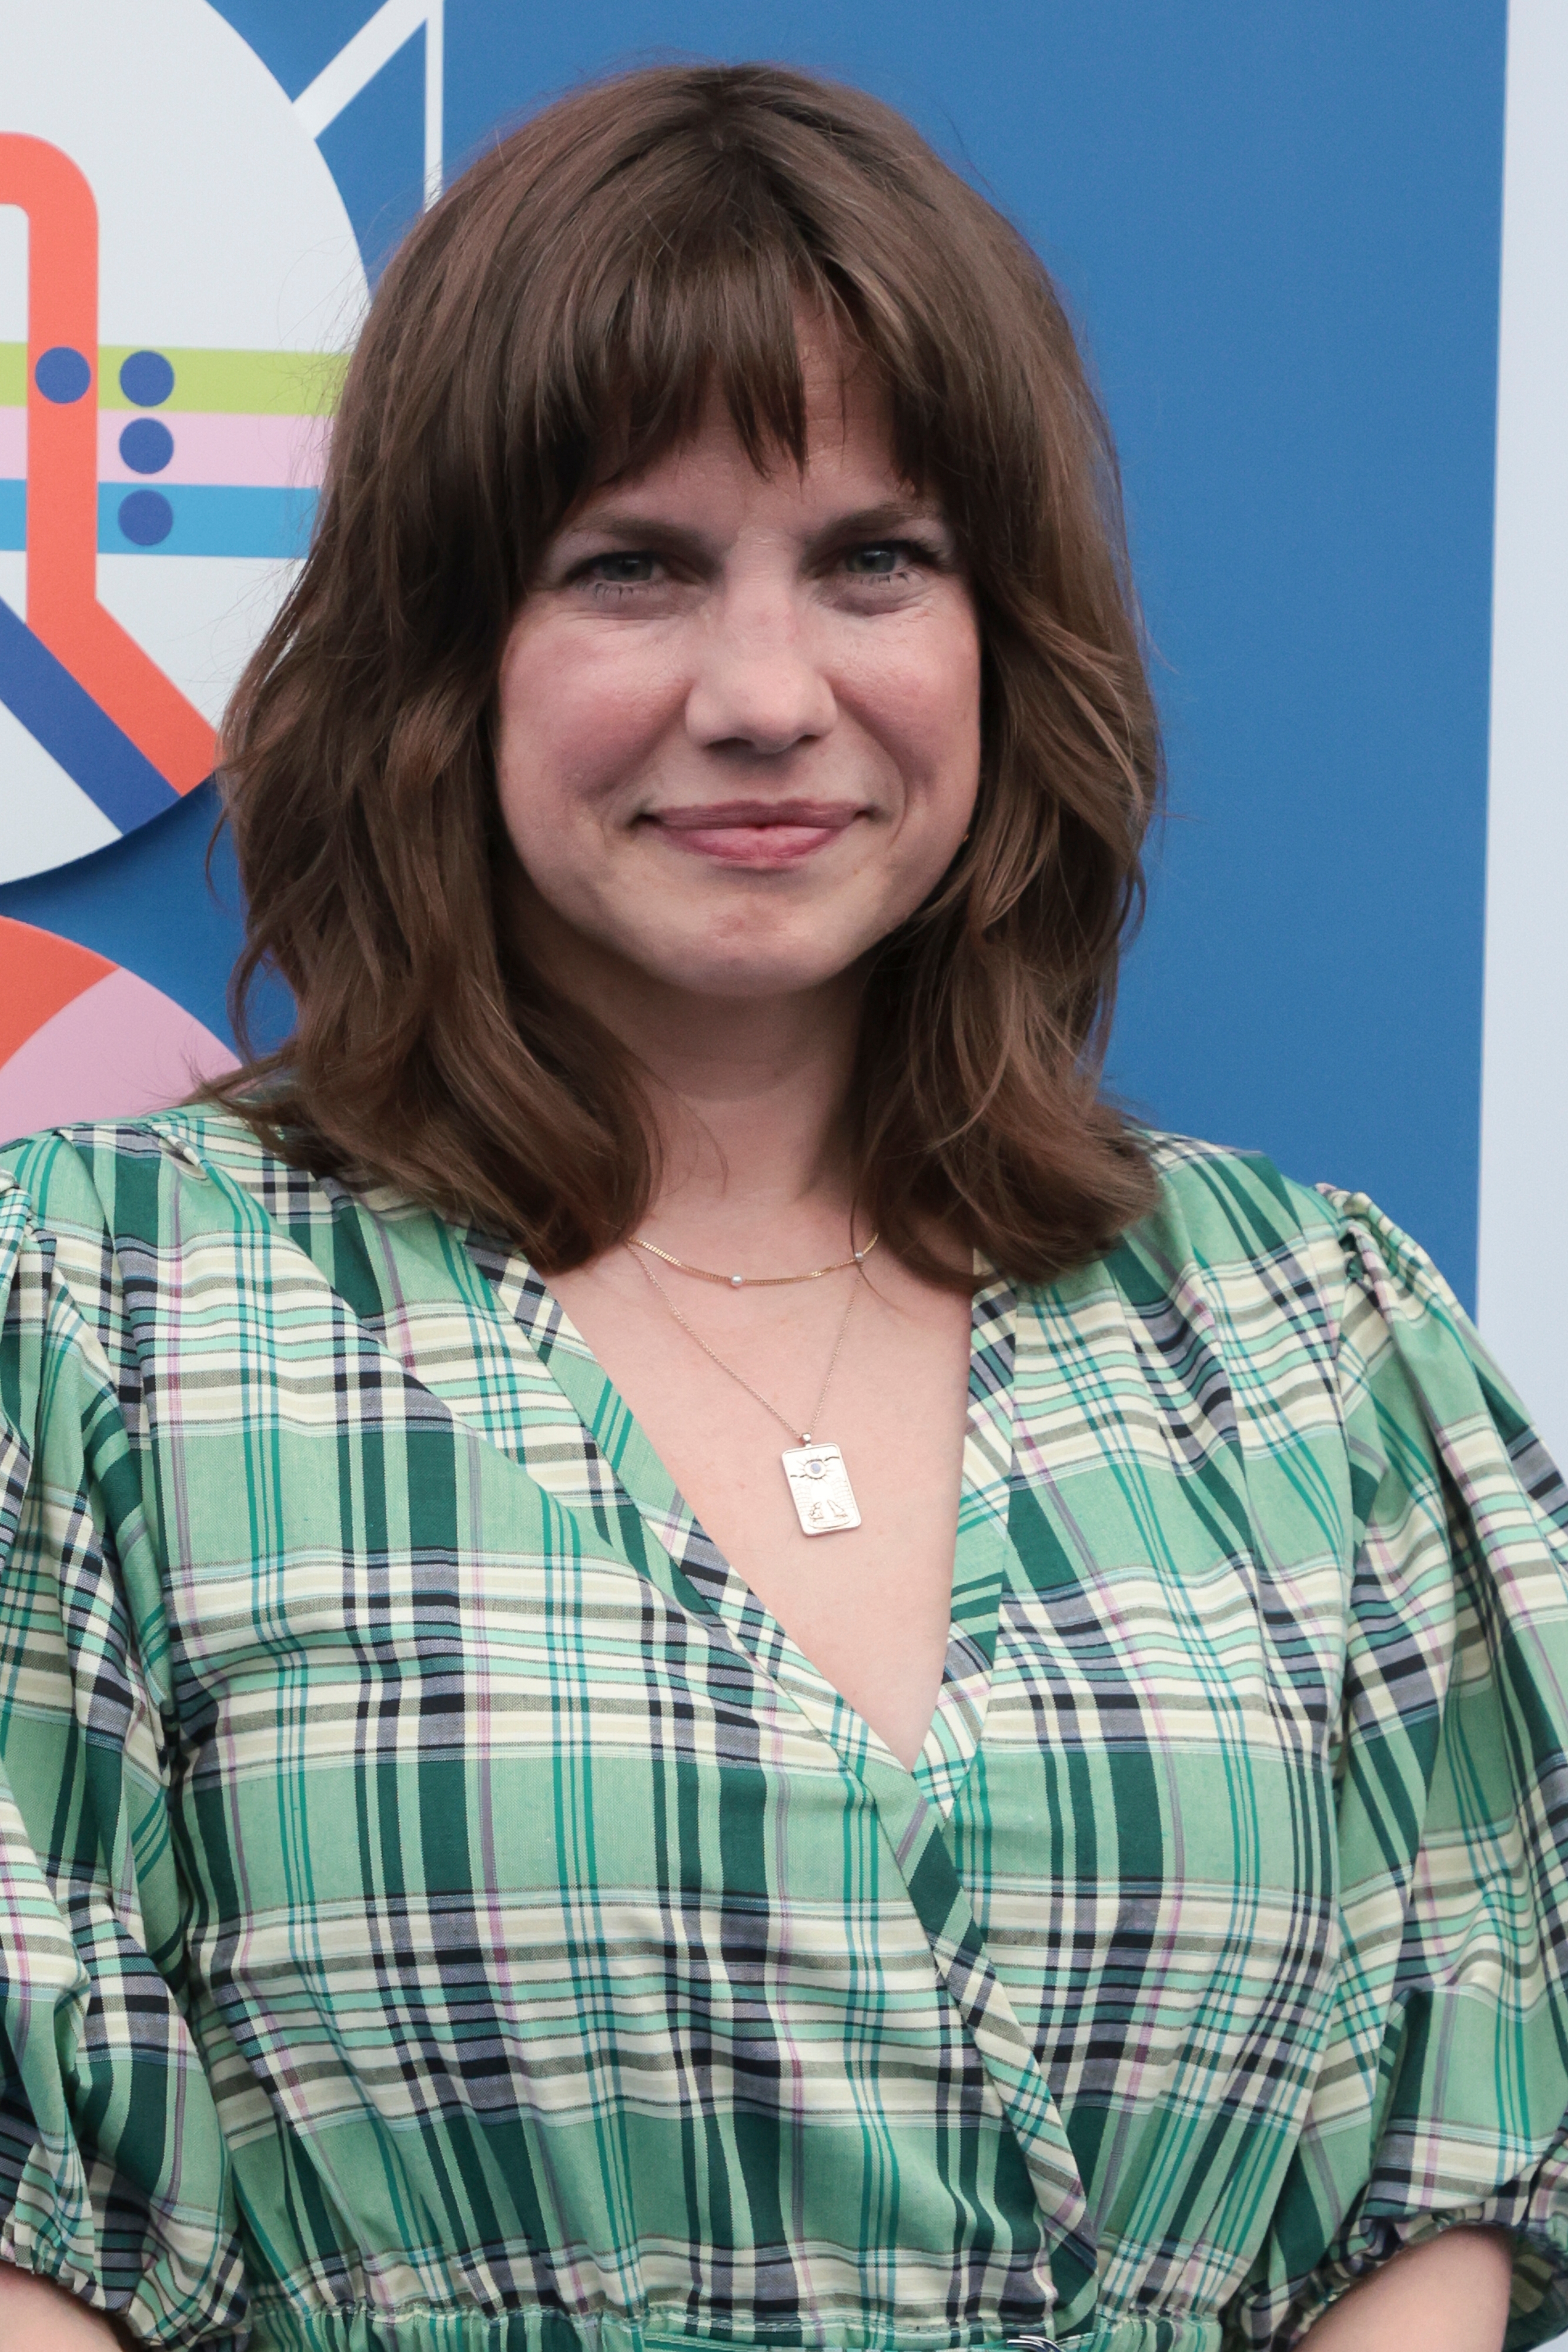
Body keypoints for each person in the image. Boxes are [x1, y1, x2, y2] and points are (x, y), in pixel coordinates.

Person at [0, 61, 1563, 2352]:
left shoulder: (1305, 1333)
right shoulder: (91, 1316)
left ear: (1001, 636)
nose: (763, 694)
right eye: (630, 566)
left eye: (871, 562)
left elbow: (1453, 2159)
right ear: (445, 648)